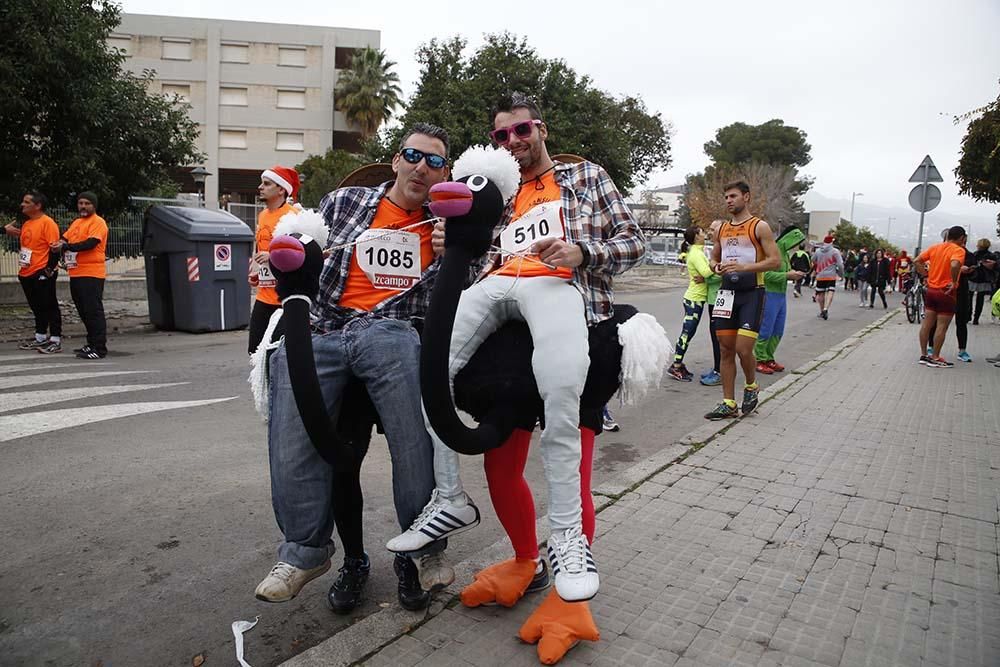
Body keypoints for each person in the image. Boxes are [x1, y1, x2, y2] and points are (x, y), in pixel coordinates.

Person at [392, 93, 646, 602]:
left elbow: (633, 241)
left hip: (574, 318)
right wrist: (457, 247)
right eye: (502, 136)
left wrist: (582, 251)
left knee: (570, 449)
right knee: (487, 448)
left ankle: (568, 577)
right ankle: (518, 554)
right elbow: (477, 263)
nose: (514, 141)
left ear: (541, 128)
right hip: (504, 344)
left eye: (522, 130)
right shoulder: (498, 192)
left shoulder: (587, 178)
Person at [255, 123, 469, 613]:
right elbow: (297, 246)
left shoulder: (446, 225)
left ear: (445, 174)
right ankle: (307, 552)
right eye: (414, 155)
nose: (421, 166)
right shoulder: (345, 202)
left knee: (416, 439)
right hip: (327, 326)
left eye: (434, 161)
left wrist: (455, 251)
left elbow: (461, 297)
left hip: (392, 331)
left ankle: (423, 552)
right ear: (396, 160)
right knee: (291, 407)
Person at [704, 181, 780, 420]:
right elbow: (713, 258)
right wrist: (716, 266)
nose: (729, 200)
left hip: (752, 293)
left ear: (746, 197)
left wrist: (745, 266)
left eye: (733, 196)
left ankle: (751, 386)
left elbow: (774, 261)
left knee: (743, 349)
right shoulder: (722, 229)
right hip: (727, 294)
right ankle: (728, 402)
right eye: (726, 197)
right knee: (726, 349)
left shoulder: (760, 227)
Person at [48, 192, 109, 359]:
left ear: (94, 206)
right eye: (80, 203)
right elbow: (64, 239)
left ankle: (99, 348)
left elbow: (90, 243)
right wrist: (59, 244)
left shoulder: (98, 222)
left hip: (92, 274)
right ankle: (91, 344)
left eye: (87, 203)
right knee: (84, 311)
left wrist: (66, 246)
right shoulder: (76, 223)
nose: (83, 206)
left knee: (93, 311)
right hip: (76, 273)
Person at [248, 166, 299, 355]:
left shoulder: (292, 215)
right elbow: (260, 248)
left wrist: (273, 255)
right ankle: (260, 385)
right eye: (262, 183)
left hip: (283, 298)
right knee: (254, 350)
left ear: (281, 190)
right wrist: (256, 272)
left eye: (267, 183)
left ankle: (276, 385)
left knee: (277, 354)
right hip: (263, 295)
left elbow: (302, 252)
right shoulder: (262, 215)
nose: (260, 187)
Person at [5, 191, 62, 352]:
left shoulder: (48, 223)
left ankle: (55, 339)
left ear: (38, 206)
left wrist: (49, 270)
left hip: (42, 271)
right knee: (37, 307)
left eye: (26, 202)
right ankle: (40, 337)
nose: (22, 204)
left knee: (50, 306)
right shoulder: (27, 223)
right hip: (26, 272)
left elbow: (55, 249)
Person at [754, 226, 806, 375]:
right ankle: (759, 358)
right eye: (795, 242)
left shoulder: (786, 254)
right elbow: (765, 275)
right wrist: (787, 276)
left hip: (781, 296)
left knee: (778, 329)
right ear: (788, 239)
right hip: (769, 294)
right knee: (766, 328)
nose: (795, 246)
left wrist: (792, 275)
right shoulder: (771, 252)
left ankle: (769, 357)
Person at [915, 226, 966, 367]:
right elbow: (955, 264)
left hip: (931, 290)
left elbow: (916, 261)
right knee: (942, 326)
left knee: (927, 324)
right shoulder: (958, 250)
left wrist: (925, 275)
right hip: (946, 292)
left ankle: (924, 355)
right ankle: (936, 357)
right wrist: (954, 281)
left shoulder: (935, 247)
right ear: (962, 238)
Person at [667, 225, 712, 381]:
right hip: (694, 299)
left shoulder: (698, 252)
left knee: (689, 333)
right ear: (696, 237)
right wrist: (718, 267)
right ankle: (676, 366)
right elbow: (706, 272)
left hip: (696, 298)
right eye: (702, 232)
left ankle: (678, 364)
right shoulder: (696, 254)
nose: (705, 234)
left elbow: (705, 274)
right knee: (687, 333)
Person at [698, 220, 724, 386]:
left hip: (720, 300)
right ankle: (717, 369)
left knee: (719, 337)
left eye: (713, 229)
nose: (709, 231)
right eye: (709, 228)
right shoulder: (715, 249)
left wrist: (705, 277)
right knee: (715, 337)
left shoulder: (724, 249)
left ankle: (719, 372)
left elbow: (722, 272)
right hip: (713, 299)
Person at [812, 235, 844, 320]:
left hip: (820, 275)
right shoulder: (835, 251)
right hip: (831, 275)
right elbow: (840, 264)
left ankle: (822, 310)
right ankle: (826, 308)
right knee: (830, 291)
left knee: (821, 293)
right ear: (831, 242)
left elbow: (813, 260)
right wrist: (841, 274)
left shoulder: (818, 251)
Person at [970, 239, 997, 325]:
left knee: (969, 297)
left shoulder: (975, 254)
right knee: (980, 299)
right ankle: (976, 318)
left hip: (974, 278)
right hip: (984, 279)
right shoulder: (991, 256)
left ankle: (968, 314)